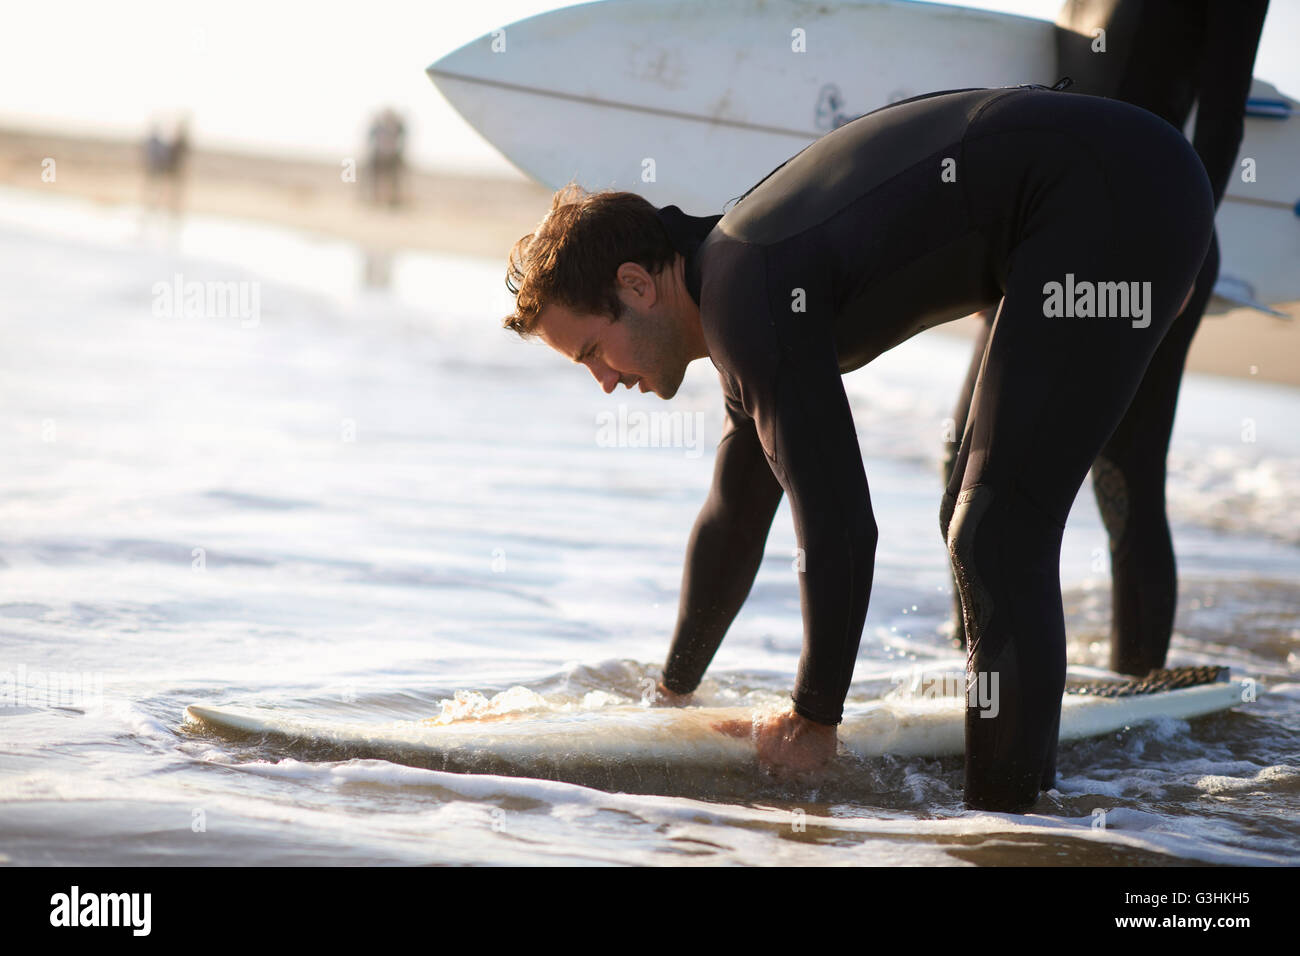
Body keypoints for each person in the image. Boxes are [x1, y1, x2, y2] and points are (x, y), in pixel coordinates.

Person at [503, 84, 1214, 811]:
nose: (603, 381)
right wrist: (671, 694)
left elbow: (840, 523)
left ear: (636, 285)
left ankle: (1004, 834)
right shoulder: (734, 285)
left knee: (995, 530)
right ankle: (1023, 809)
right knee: (978, 518)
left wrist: (815, 717)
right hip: (1124, 183)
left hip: (1112, 189)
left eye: (594, 349)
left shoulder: (747, 293)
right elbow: (736, 514)